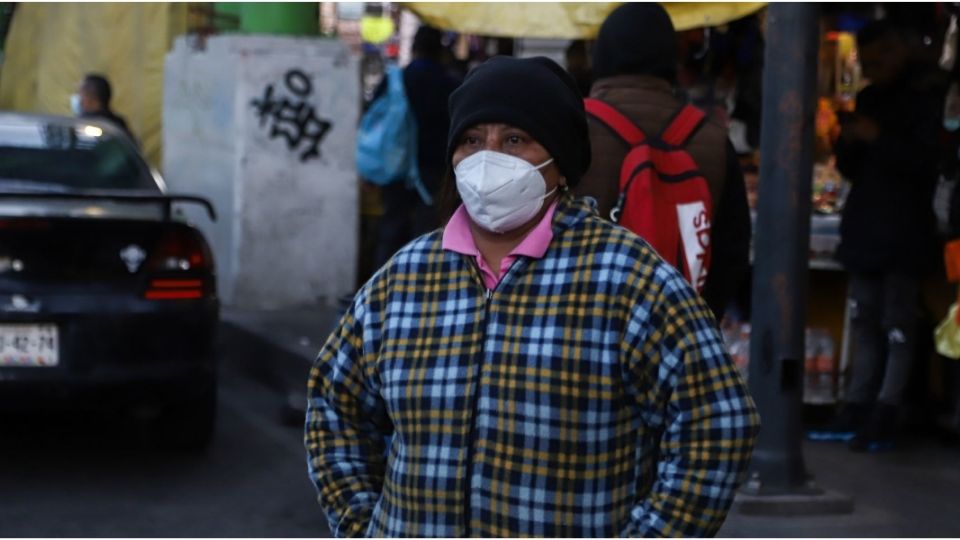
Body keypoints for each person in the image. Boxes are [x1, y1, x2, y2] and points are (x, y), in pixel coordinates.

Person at [305, 55, 759, 537]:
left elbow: (718, 425)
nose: (488, 158)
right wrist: (362, 525)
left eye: (515, 140)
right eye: (472, 140)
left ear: (558, 162)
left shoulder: (628, 280)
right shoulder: (404, 279)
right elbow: (336, 407)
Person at [575, 3, 752, 320]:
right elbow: (732, 249)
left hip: (584, 324)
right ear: (672, 57)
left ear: (601, 54)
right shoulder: (711, 139)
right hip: (678, 328)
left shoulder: (571, 127)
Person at [831, 20, 947, 451]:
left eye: (882, 58)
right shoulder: (869, 98)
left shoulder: (926, 98)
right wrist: (850, 141)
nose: (875, 67)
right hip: (867, 229)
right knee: (865, 320)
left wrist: (877, 138)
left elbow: (927, 163)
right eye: (870, 60)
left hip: (903, 232)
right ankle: (860, 404)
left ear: (899, 51)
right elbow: (851, 169)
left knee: (896, 324)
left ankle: (886, 408)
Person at [372, 25, 460, 268]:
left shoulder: (396, 79)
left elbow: (374, 119)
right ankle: (418, 289)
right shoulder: (449, 83)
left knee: (390, 229)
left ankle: (382, 289)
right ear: (440, 50)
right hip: (435, 167)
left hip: (396, 165)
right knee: (427, 236)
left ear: (413, 48)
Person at [70, 73, 136, 143]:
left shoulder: (81, 126)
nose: (78, 97)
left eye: (80, 92)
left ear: (92, 98)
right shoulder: (119, 125)